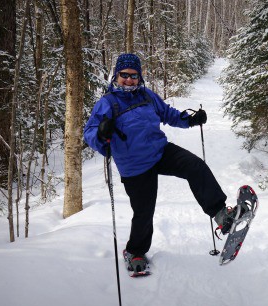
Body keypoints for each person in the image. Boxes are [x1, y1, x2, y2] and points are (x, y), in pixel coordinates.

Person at [83, 53, 236, 273]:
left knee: (195, 165)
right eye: (124, 75)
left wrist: (190, 120)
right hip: (134, 165)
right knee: (144, 212)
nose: (129, 79)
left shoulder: (146, 95)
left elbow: (167, 114)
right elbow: (89, 133)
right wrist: (101, 133)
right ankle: (135, 252)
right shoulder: (108, 103)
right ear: (116, 76)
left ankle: (220, 214)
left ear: (140, 77)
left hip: (159, 151)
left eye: (134, 75)